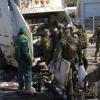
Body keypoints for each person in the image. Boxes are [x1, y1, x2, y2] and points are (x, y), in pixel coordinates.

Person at [14, 27, 36, 94]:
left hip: (19, 59)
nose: (26, 33)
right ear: (23, 32)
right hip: (24, 60)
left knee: (20, 73)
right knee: (28, 73)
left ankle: (20, 87)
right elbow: (25, 52)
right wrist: (30, 59)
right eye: (26, 32)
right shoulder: (23, 40)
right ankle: (28, 88)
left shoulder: (16, 39)